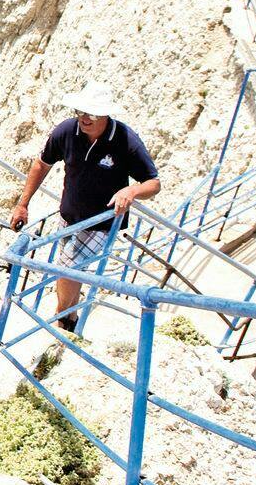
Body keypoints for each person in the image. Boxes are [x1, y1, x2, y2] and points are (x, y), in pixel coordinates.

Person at [9, 80, 162, 327]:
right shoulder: (67, 131)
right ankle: (71, 317)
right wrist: (23, 204)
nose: (84, 118)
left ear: (105, 114)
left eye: (91, 113)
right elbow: (42, 164)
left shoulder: (125, 140)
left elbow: (153, 183)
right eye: (80, 111)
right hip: (68, 216)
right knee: (73, 270)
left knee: (65, 268)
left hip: (101, 222)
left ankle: (59, 322)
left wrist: (131, 190)